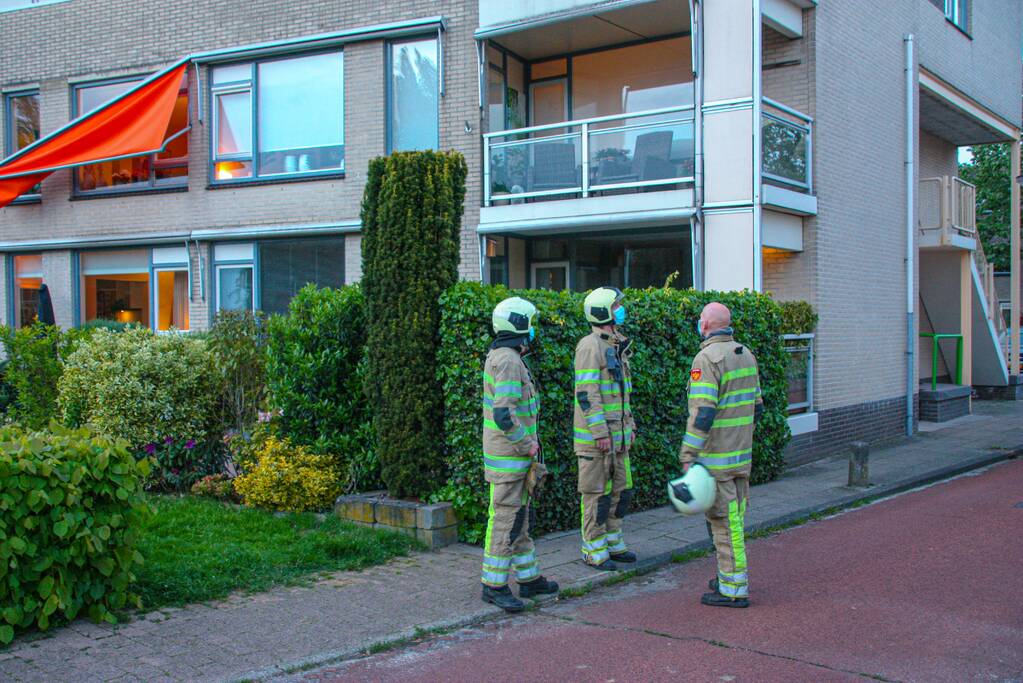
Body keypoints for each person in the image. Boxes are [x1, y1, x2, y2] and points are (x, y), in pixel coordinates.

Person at [681, 302, 763, 608]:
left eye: (701, 319)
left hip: (717, 460)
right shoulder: (746, 354)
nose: (699, 323)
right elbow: (757, 406)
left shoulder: (707, 358)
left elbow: (702, 414)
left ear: (706, 325)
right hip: (742, 457)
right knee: (735, 520)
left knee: (723, 524)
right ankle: (727, 575)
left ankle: (733, 587)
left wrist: (688, 453)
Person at [480, 297, 559, 612]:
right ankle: (494, 585)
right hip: (511, 459)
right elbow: (503, 414)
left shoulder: (504, 355)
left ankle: (529, 578)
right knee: (506, 520)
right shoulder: (509, 361)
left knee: (519, 519)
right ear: (520, 324)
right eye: (530, 322)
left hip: (512, 458)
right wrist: (528, 444)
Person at [573, 287, 637, 571]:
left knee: (621, 492)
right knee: (596, 495)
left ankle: (613, 541)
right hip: (597, 441)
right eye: (616, 306)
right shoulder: (590, 346)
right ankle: (593, 548)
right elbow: (587, 394)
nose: (620, 310)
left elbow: (623, 395)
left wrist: (630, 426)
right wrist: (599, 432)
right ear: (602, 312)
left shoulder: (616, 344)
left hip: (619, 438)